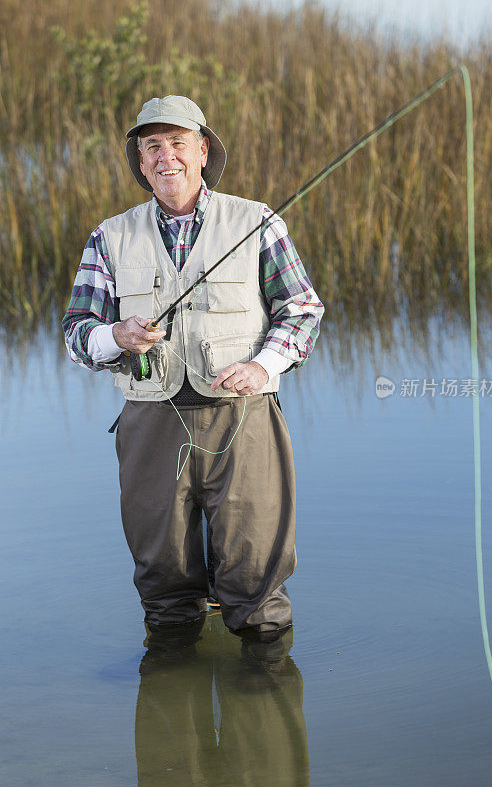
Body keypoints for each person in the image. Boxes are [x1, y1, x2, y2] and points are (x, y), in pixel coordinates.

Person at [62, 95, 323, 643]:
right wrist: (116, 335)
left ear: (203, 151)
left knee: (256, 581)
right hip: (150, 425)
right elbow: (76, 333)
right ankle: (172, 683)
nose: (165, 158)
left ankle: (263, 687)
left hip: (245, 419)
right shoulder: (108, 236)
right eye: (151, 147)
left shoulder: (257, 220)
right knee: (164, 585)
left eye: (177, 143)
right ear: (139, 161)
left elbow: (301, 310)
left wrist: (263, 365)